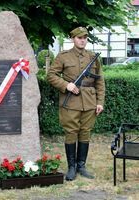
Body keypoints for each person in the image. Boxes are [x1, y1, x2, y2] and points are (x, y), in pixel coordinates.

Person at [47, 27, 105, 181]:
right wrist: (66, 85)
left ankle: (81, 166)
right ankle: (71, 167)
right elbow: (51, 75)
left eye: (85, 37)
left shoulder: (93, 57)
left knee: (85, 132)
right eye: (79, 37)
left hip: (90, 102)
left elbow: (99, 81)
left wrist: (100, 102)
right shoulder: (63, 56)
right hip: (70, 102)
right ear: (73, 39)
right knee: (71, 132)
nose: (83, 40)